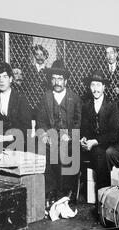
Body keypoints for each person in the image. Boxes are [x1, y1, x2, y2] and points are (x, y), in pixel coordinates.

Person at [36, 59, 82, 205]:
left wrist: (69, 135)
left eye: (60, 78)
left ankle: (66, 191)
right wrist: (44, 134)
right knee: (42, 148)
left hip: (69, 137)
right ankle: (50, 191)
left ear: (66, 81)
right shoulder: (46, 98)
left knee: (67, 150)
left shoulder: (74, 98)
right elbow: (41, 121)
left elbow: (78, 122)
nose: (57, 81)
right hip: (52, 135)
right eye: (54, 78)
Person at [81, 70, 119, 190]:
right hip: (92, 145)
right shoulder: (86, 105)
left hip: (108, 144)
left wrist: (95, 142)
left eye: (98, 85)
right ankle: (70, 196)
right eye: (93, 85)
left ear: (104, 87)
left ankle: (103, 196)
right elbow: (85, 128)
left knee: (100, 155)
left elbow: (114, 135)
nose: (95, 89)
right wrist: (84, 139)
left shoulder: (112, 105)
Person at [0, 62, 33, 151]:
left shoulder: (20, 99)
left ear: (10, 79)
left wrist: (6, 138)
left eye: (5, 77)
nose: (1, 81)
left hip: (17, 144)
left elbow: (26, 129)